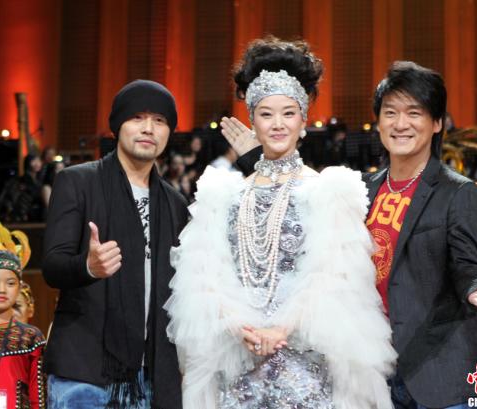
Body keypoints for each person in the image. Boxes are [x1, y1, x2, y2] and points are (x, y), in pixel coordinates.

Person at [222, 61, 477, 408]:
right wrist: (259, 157)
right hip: (374, 374)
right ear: (378, 122)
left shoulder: (458, 192)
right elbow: (297, 207)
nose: (401, 124)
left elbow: (467, 263)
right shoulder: (360, 189)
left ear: (437, 123)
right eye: (390, 112)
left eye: (414, 113)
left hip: (439, 377)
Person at [166, 37, 396, 409]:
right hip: (238, 364)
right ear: (252, 120)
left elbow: (335, 275)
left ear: (303, 120)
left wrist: (282, 328)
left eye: (288, 113)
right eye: (266, 114)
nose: (277, 124)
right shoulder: (222, 194)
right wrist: (239, 326)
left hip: (307, 365)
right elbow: (203, 275)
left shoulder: (328, 191)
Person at [42, 80, 189, 409]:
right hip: (83, 372)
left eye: (160, 120)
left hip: (150, 375)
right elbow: (52, 266)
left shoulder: (175, 204)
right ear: (118, 125)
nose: (148, 128)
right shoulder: (77, 181)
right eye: (137, 117)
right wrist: (87, 266)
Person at [0, 223, 46, 409]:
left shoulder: (31, 337)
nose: (2, 290)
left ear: (20, 287)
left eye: (10, 283)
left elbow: (38, 396)